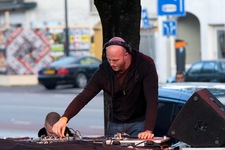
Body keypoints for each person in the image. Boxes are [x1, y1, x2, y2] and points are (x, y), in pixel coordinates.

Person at [52, 37, 158, 139]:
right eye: (109, 59)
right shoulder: (104, 71)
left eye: (115, 60)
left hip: (139, 122)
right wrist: (64, 118)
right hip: (115, 122)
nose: (111, 64)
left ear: (126, 54)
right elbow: (84, 96)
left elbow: (152, 100)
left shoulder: (145, 64)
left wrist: (148, 130)